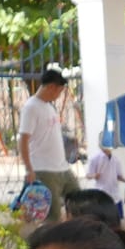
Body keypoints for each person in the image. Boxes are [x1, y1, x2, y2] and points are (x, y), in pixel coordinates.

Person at [17, 68, 73, 221]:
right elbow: (23, 140)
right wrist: (29, 169)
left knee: (78, 202)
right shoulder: (31, 107)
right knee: (52, 216)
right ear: (51, 87)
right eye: (59, 91)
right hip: (44, 170)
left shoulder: (49, 107)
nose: (59, 95)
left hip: (62, 167)